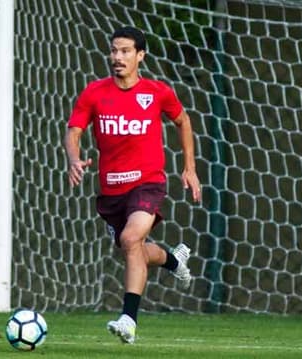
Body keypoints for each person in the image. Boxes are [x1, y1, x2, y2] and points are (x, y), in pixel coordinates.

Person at [64, 26, 201, 343]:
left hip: (148, 183)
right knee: (133, 248)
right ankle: (173, 259)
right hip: (111, 190)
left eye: (125, 51)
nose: (117, 57)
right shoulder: (94, 93)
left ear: (141, 55)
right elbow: (74, 131)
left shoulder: (157, 92)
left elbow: (183, 121)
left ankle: (128, 319)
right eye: (113, 50)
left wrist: (189, 168)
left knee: (130, 238)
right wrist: (74, 158)